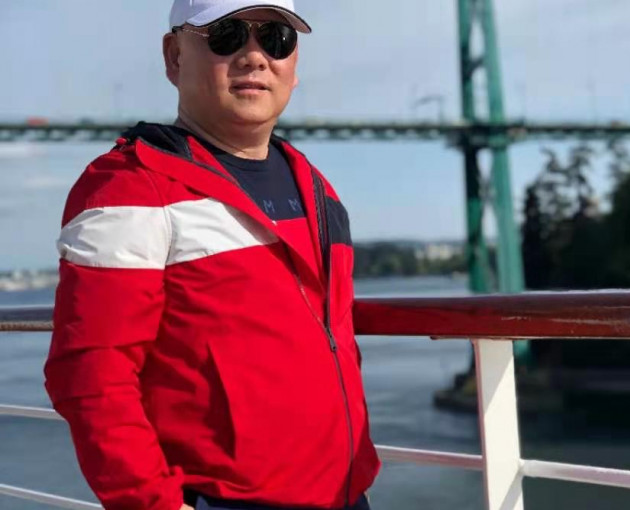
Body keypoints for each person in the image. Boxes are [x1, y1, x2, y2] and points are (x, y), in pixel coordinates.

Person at [43, 1, 380, 509]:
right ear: (174, 55)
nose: (255, 56)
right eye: (227, 35)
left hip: (348, 496)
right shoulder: (130, 189)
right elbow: (90, 374)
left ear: (293, 64)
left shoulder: (317, 189)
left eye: (276, 39)